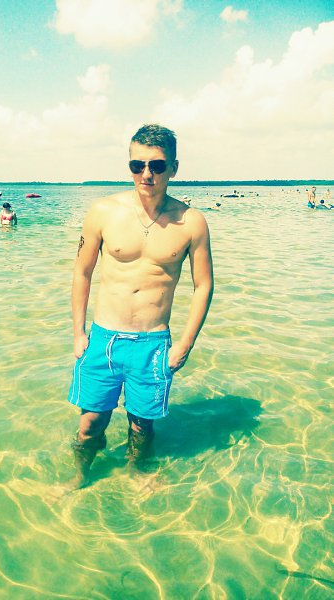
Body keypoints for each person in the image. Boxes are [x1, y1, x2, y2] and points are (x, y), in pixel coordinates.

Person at [67, 124, 214, 488]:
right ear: (130, 166)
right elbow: (82, 272)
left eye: (157, 165)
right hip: (103, 339)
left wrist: (184, 345)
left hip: (153, 342)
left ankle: (137, 473)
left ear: (173, 168)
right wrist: (78, 333)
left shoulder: (192, 222)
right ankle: (78, 477)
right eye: (138, 165)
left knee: (141, 424)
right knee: (90, 423)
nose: (147, 174)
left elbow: (204, 285)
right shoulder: (103, 212)